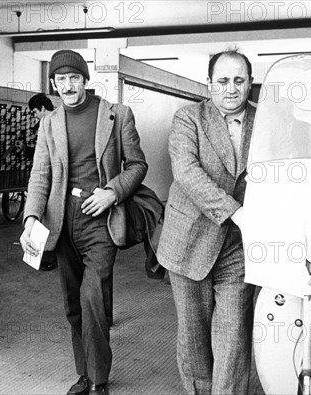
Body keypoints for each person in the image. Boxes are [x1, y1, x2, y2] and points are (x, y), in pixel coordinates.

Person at [20, 50, 147, 395]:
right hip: (62, 222)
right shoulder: (49, 122)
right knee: (73, 303)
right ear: (53, 84)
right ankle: (84, 373)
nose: (68, 86)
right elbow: (40, 174)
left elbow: (137, 165)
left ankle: (98, 379)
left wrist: (112, 193)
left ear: (85, 80)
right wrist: (31, 216)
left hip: (101, 222)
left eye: (74, 78)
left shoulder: (117, 116)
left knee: (93, 298)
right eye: (61, 80)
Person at [156, 49, 256, 394]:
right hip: (188, 242)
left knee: (233, 334)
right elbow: (186, 172)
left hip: (238, 247)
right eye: (223, 81)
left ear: (250, 83)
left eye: (239, 80)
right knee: (194, 335)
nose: (231, 89)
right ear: (210, 84)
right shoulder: (188, 118)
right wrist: (235, 211)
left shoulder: (267, 122)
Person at [27, 93, 57, 270]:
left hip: (51, 180)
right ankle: (44, 257)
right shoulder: (59, 120)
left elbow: (46, 157)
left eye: (34, 112)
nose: (34, 115)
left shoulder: (48, 124)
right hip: (53, 179)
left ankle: (45, 258)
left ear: (43, 109)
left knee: (45, 218)